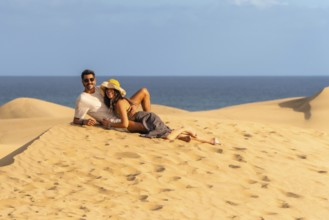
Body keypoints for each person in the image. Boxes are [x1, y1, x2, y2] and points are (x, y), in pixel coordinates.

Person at [100, 79, 220, 145]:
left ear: (116, 92)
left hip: (147, 119)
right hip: (143, 120)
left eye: (112, 90)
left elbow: (125, 124)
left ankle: (184, 128)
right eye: (107, 90)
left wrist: (109, 124)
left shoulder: (119, 103)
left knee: (168, 137)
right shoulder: (116, 102)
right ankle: (209, 141)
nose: (109, 92)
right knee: (173, 135)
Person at [73, 69, 150, 131]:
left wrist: (132, 104)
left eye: (91, 79)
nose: (89, 82)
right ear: (82, 82)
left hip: (121, 111)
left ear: (95, 80)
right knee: (144, 127)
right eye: (86, 80)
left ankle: (149, 118)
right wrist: (84, 121)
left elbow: (118, 94)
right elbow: (76, 120)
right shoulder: (82, 99)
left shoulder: (100, 89)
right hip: (114, 121)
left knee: (144, 91)